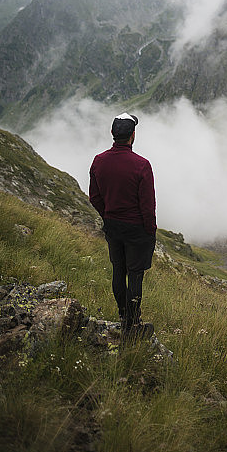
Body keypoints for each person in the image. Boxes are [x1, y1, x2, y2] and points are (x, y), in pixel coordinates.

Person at [89, 113, 157, 339]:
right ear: (133, 136)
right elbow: (147, 205)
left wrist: (107, 215)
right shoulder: (142, 165)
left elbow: (95, 197)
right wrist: (150, 230)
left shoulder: (99, 161)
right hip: (136, 229)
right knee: (135, 275)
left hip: (113, 226)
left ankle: (122, 315)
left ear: (112, 134)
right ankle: (132, 324)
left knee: (118, 269)